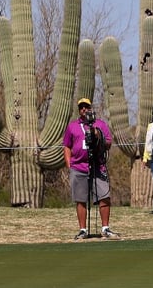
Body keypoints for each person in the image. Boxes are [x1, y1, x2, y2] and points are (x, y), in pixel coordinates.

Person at [63, 98, 119, 240]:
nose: (84, 109)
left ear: (90, 108)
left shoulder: (100, 124)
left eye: (86, 106)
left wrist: (97, 135)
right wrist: (69, 164)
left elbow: (108, 142)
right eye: (81, 107)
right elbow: (67, 146)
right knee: (81, 199)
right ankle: (83, 230)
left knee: (104, 195)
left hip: (98, 165)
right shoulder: (72, 126)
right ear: (79, 109)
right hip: (79, 167)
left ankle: (105, 228)